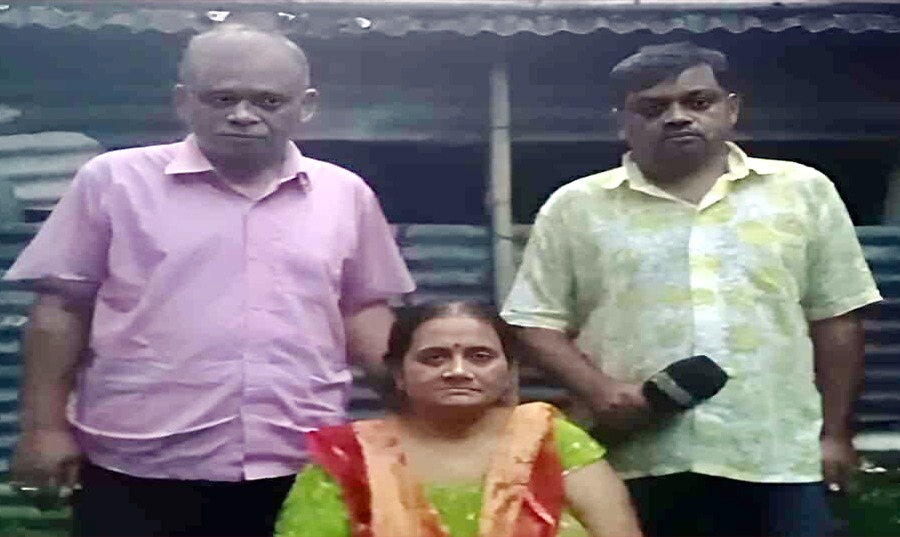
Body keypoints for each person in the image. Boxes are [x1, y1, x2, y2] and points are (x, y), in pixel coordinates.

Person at [5, 23, 415, 537]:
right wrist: (43, 428)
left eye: (268, 101)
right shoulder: (113, 181)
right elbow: (61, 309)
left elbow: (362, 311)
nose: (243, 115)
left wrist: (425, 413)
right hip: (138, 464)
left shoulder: (344, 194)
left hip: (300, 459)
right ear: (184, 101)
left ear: (306, 105)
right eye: (222, 98)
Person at [501, 41, 881, 537]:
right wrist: (600, 391)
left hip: (776, 454)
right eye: (653, 107)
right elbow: (533, 321)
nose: (677, 117)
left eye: (698, 102)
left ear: (731, 109)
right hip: (632, 456)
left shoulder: (802, 191)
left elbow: (837, 318)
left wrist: (835, 434)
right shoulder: (575, 207)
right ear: (622, 122)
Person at [274, 301, 642, 537]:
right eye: (434, 358)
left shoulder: (550, 437)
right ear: (398, 373)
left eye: (480, 356)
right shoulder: (348, 455)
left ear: (509, 371)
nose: (458, 371)